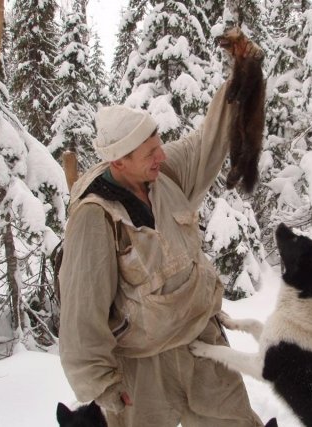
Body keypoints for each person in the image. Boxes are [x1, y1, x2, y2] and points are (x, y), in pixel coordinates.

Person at [58, 28, 265, 427]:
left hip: (201, 343)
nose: (160, 155)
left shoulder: (165, 174)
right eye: (149, 151)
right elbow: (82, 310)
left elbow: (210, 139)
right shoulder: (95, 216)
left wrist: (241, 75)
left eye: (159, 144)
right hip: (142, 367)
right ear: (118, 162)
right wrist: (100, 383)